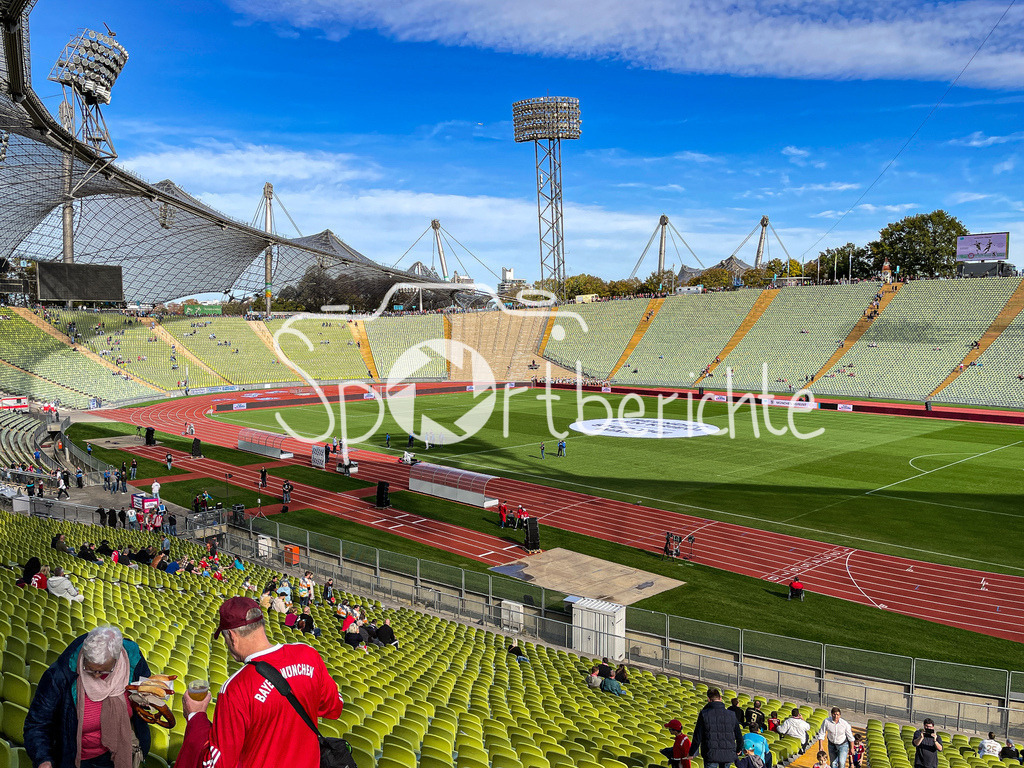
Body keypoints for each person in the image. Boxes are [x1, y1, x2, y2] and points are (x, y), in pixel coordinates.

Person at [175, 597, 344, 768]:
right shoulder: (308, 655)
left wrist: (196, 716)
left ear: (232, 636)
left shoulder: (235, 688)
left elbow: (218, 764)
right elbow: (334, 707)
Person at [25, 625, 152, 768]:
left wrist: (148, 701)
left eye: (103, 671)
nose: (96, 676)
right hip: (74, 756)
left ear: (117, 661)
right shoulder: (60, 675)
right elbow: (37, 722)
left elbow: (144, 693)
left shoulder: (133, 662)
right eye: (90, 669)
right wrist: (43, 759)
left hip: (116, 752)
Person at [689, 688, 744, 768]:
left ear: (709, 699)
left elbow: (697, 737)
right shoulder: (731, 715)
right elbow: (739, 736)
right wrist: (738, 749)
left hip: (710, 754)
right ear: (720, 698)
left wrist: (691, 753)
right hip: (728, 754)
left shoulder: (704, 714)